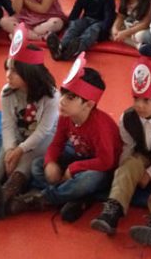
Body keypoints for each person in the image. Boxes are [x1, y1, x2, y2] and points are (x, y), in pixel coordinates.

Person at [8, 54, 121, 223]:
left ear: (88, 105)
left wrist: (73, 168)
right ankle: (72, 197)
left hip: (100, 167)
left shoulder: (100, 126)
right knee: (37, 165)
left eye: (70, 98)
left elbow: (106, 161)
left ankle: (44, 198)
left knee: (88, 180)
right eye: (63, 94)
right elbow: (56, 144)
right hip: (79, 157)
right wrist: (51, 163)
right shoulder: (66, 116)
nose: (61, 101)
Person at [0, 25, 59, 220]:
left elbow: (43, 131)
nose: (8, 75)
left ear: (29, 73)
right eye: (7, 68)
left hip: (43, 140)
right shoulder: (7, 92)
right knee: (2, 158)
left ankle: (7, 191)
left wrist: (20, 150)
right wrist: (9, 150)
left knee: (28, 160)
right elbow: (7, 124)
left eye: (14, 71)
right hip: (19, 136)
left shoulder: (51, 96)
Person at [90, 60, 151, 248]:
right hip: (142, 154)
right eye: (135, 98)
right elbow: (127, 146)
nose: (139, 105)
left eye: (146, 100)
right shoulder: (127, 118)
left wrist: (150, 173)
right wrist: (124, 170)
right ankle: (113, 209)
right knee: (127, 168)